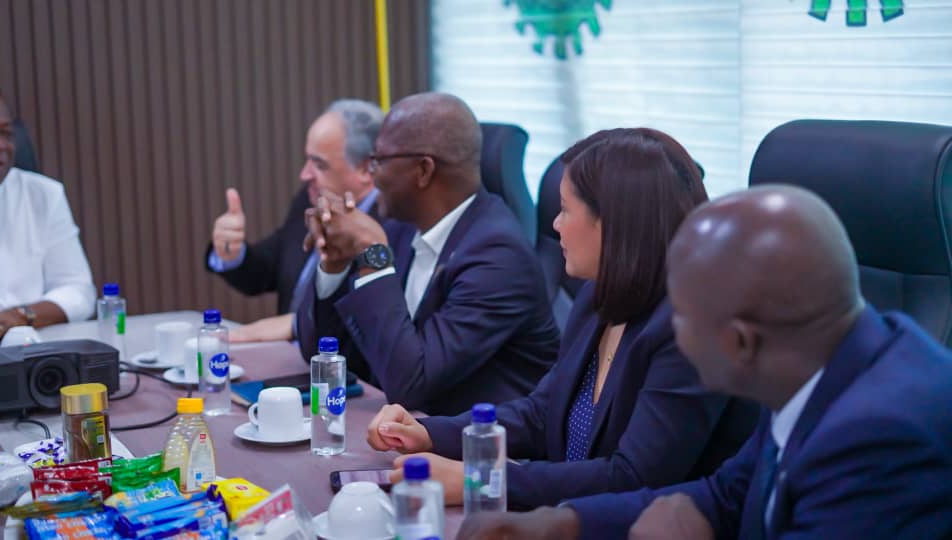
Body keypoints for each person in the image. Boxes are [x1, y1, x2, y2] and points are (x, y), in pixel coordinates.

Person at [456, 185, 952, 540]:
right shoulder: (818, 362)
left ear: (740, 343)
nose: (669, 332)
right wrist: (560, 523)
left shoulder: (881, 436)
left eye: (681, 318)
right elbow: (728, 494)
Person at [365, 129, 757, 508]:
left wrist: (484, 479)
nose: (554, 224)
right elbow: (543, 413)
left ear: (614, 223)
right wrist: (429, 433)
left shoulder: (691, 329)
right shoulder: (599, 296)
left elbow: (633, 477)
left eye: (566, 209)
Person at [296, 92, 560, 415]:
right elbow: (326, 357)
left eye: (379, 160)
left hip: (479, 441)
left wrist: (372, 255)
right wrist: (335, 266)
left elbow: (411, 384)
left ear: (423, 170)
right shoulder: (401, 228)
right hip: (406, 431)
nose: (373, 175)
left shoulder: (497, 257)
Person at [204, 99, 383, 342]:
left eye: (319, 164)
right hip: (288, 354)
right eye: (308, 160)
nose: (304, 174)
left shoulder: (392, 221)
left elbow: (375, 317)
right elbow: (265, 272)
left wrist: (298, 324)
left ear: (366, 169)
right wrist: (231, 252)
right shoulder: (310, 199)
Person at [0, 82, 96, 343]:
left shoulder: (43, 195)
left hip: (25, 350)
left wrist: (19, 315)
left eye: (6, 133)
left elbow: (78, 290)